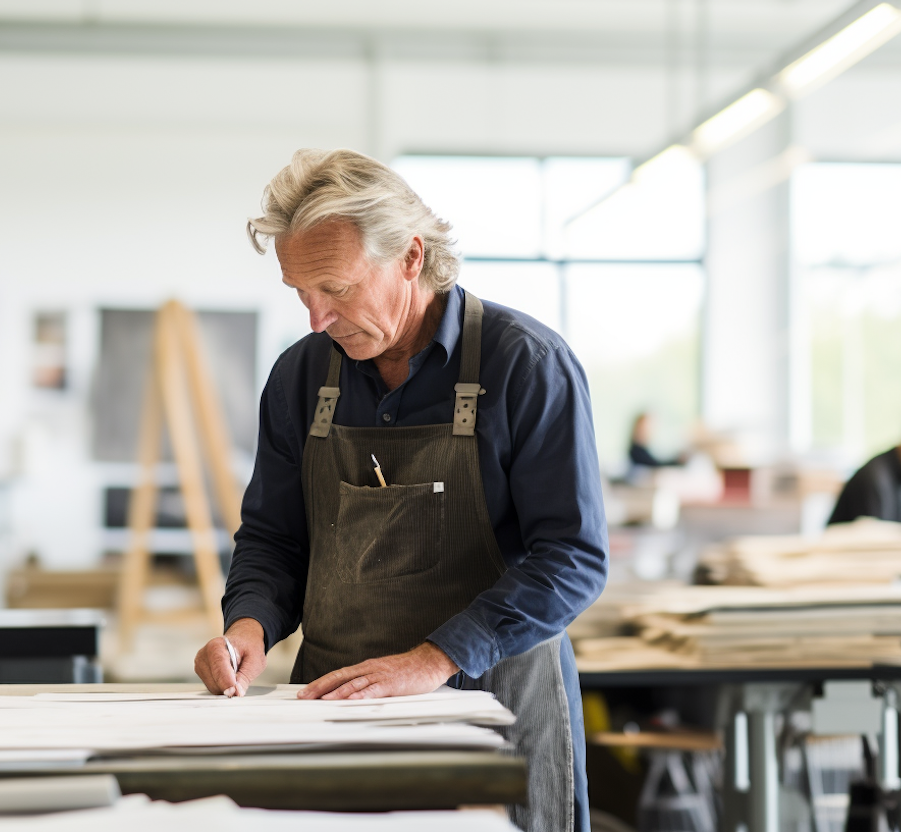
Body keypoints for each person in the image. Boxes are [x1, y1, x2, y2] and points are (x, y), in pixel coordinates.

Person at [193, 148, 608, 831]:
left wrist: (433, 659)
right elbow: (274, 538)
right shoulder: (301, 377)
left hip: (493, 716)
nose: (316, 318)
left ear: (411, 257)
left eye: (337, 287)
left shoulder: (525, 365)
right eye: (301, 292)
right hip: (335, 718)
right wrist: (248, 629)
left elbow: (573, 558)